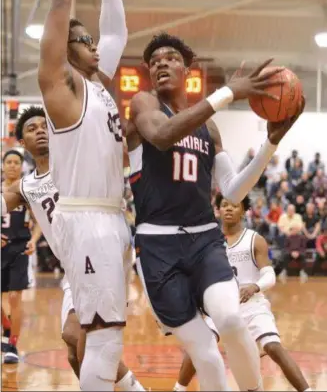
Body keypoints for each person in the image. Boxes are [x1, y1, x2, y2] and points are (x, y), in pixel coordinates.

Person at [126, 31, 304, 391]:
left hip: (204, 240)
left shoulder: (209, 127)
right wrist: (227, 93)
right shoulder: (144, 104)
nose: (161, 62)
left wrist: (270, 143)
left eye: (170, 58)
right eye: (155, 60)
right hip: (158, 246)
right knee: (205, 352)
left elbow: (233, 190)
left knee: (232, 320)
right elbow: (162, 137)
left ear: (187, 70)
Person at [37, 0, 135, 390]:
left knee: (94, 334)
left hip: (110, 218)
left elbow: (117, 33)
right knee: (103, 336)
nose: (95, 46)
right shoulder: (63, 87)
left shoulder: (97, 86)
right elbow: (59, 5)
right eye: (84, 41)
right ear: (67, 50)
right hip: (89, 219)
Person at [1, 106, 145, 391]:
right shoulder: (25, 186)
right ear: (21, 142)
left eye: (45, 125)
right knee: (71, 343)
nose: (40, 130)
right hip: (73, 268)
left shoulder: (78, 160)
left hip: (100, 253)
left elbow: (122, 153)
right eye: (31, 129)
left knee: (88, 341)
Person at [174, 195, 312, 392]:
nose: (229, 209)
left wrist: (254, 287)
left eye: (234, 205)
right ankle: (178, 388)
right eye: (224, 205)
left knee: (273, 347)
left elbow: (270, 275)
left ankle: (307, 390)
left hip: (253, 305)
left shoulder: (255, 240)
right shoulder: (209, 242)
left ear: (244, 210)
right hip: (220, 305)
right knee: (200, 344)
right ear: (218, 211)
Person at [1, 150, 40, 363]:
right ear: (3, 166)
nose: (13, 166)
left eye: (17, 162)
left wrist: (33, 240)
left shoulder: (27, 191)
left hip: (19, 249)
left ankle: (13, 345)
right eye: (9, 162)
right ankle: (6, 328)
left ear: (21, 166)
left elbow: (40, 221)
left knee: (15, 297)